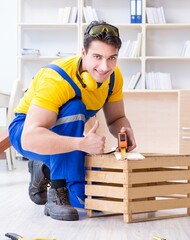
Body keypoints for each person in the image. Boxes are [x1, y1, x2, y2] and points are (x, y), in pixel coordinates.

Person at [8, 20, 136, 221]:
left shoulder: (113, 75)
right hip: (25, 131)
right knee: (74, 106)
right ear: (83, 54)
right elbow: (29, 138)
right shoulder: (56, 78)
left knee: (93, 198)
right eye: (97, 57)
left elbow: (116, 118)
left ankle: (43, 166)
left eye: (112, 58)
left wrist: (125, 130)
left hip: (65, 137)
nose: (105, 67)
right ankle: (57, 193)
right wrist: (81, 144)